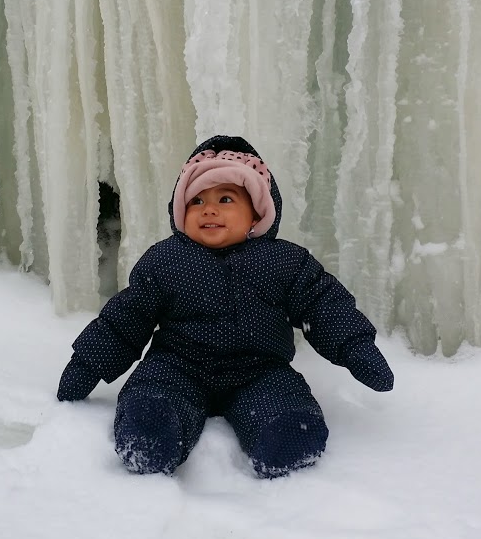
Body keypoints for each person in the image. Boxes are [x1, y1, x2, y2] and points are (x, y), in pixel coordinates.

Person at [56, 135, 394, 478]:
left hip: (259, 370)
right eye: (197, 200)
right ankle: (152, 433)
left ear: (255, 214)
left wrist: (355, 346)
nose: (209, 209)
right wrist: (88, 364)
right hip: (179, 365)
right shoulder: (166, 260)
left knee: (284, 409)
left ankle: (286, 436)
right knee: (154, 400)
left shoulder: (284, 261)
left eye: (226, 198)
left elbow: (322, 304)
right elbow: (126, 318)